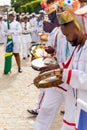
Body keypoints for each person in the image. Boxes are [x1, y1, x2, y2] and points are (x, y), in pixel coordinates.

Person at [57, 10, 87, 130]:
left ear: (77, 27)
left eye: (67, 35)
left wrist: (65, 74)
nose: (67, 39)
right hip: (78, 108)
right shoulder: (78, 48)